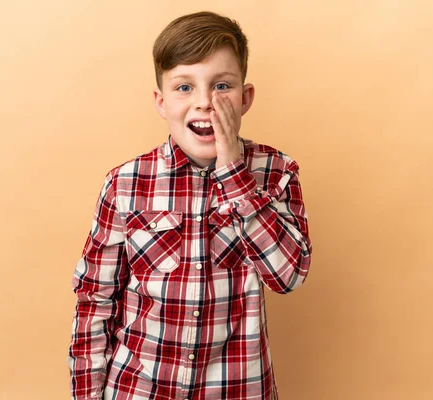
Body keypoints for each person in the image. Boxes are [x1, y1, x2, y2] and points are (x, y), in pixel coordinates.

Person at [68, 11, 312, 400]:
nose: (204, 103)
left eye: (221, 86)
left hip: (236, 389)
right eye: (184, 87)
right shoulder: (124, 184)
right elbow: (95, 301)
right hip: (139, 389)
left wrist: (233, 170)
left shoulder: (277, 173)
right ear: (161, 102)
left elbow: (288, 277)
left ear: (245, 98)